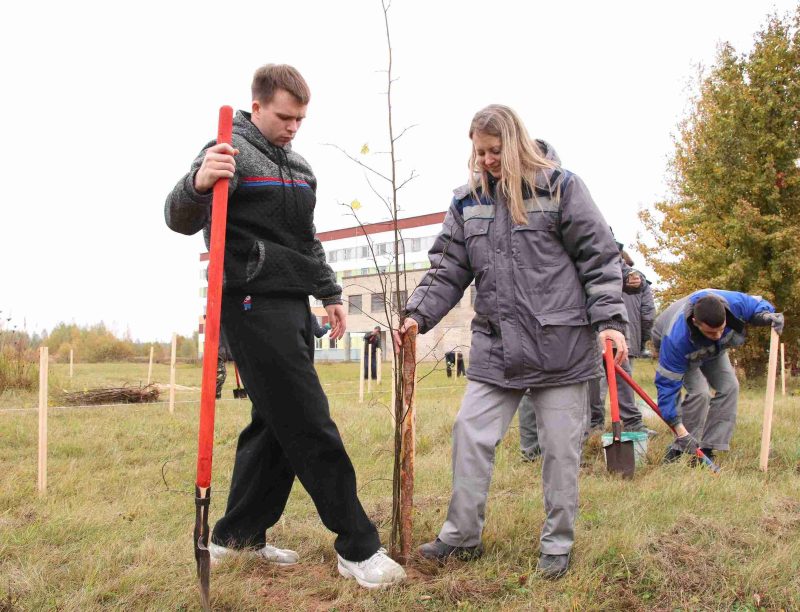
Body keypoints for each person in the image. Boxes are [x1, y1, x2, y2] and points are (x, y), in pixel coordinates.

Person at [164, 63, 404, 589]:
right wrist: (199, 182)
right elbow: (177, 216)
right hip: (249, 303)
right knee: (308, 420)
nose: (294, 126)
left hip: (293, 302)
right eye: (285, 116)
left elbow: (307, 239)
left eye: (300, 118)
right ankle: (358, 547)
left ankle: (237, 535)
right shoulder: (226, 151)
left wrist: (331, 293)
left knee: (274, 424)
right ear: (258, 107)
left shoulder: (300, 168)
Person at [394, 104, 628, 579]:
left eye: (495, 151)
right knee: (469, 432)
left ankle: (557, 545)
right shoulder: (467, 202)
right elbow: (446, 269)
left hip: (560, 347)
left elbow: (600, 259)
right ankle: (462, 536)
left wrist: (609, 321)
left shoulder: (561, 187)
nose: (485, 160)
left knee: (561, 451)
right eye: (478, 152)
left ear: (516, 143)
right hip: (497, 349)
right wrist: (416, 314)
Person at [519, 248, 654, 461]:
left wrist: (634, 278)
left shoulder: (594, 243)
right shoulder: (546, 246)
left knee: (581, 386)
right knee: (538, 385)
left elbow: (617, 268)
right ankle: (533, 452)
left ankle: (574, 450)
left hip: (589, 324)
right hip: (546, 321)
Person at [652, 289, 782, 463]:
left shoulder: (733, 303)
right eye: (711, 332)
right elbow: (667, 388)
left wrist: (766, 315)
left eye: (721, 330)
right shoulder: (675, 340)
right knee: (700, 392)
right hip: (684, 351)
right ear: (695, 322)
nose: (718, 335)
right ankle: (681, 446)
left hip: (714, 351)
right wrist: (679, 428)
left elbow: (757, 305)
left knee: (730, 387)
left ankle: (707, 448)